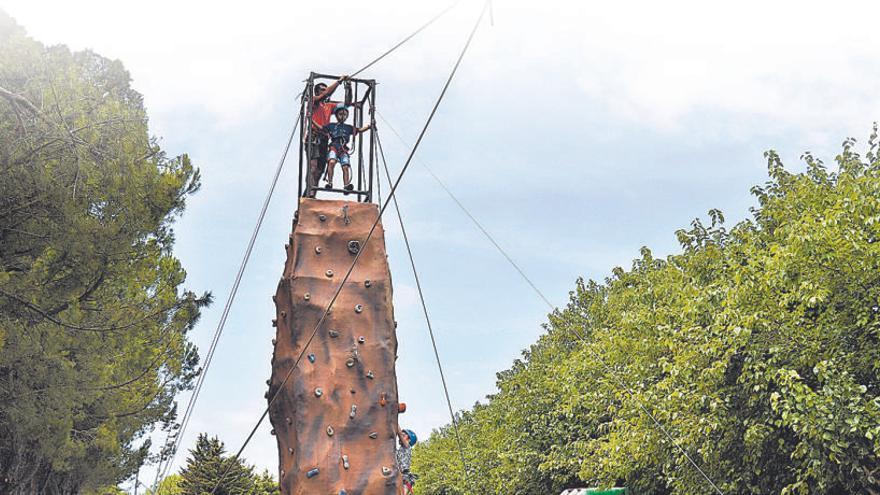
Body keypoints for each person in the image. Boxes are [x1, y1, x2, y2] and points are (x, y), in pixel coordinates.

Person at [307, 75, 347, 196]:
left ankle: (312, 193)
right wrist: (339, 82)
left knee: (319, 170)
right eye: (322, 89)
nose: (325, 91)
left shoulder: (329, 106)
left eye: (326, 89)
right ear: (317, 92)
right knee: (313, 167)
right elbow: (325, 95)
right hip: (313, 137)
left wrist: (348, 87)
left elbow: (347, 103)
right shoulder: (314, 101)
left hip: (324, 138)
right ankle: (310, 193)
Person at [323, 103, 371, 192]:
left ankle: (346, 185)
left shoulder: (348, 127)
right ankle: (329, 182)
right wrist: (312, 121)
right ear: (337, 115)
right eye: (341, 114)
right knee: (332, 162)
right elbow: (322, 128)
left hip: (343, 148)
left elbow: (359, 130)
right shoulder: (332, 126)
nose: (343, 117)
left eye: (345, 115)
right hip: (334, 146)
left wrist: (369, 126)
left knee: (345, 166)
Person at [396, 428, 418, 495]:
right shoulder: (398, 451)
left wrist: (394, 422)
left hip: (405, 477)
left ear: (409, 440)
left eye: (404, 435)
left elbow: (399, 433)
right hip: (397, 474)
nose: (400, 438)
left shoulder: (407, 447)